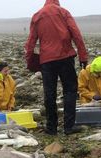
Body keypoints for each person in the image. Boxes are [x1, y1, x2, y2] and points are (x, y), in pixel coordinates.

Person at [24, 0, 88, 135]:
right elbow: (76, 34)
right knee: (70, 91)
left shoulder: (37, 15)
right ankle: (69, 126)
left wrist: (31, 62)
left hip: (47, 60)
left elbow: (30, 42)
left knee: (49, 94)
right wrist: (83, 57)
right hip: (65, 57)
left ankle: (51, 128)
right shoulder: (63, 12)